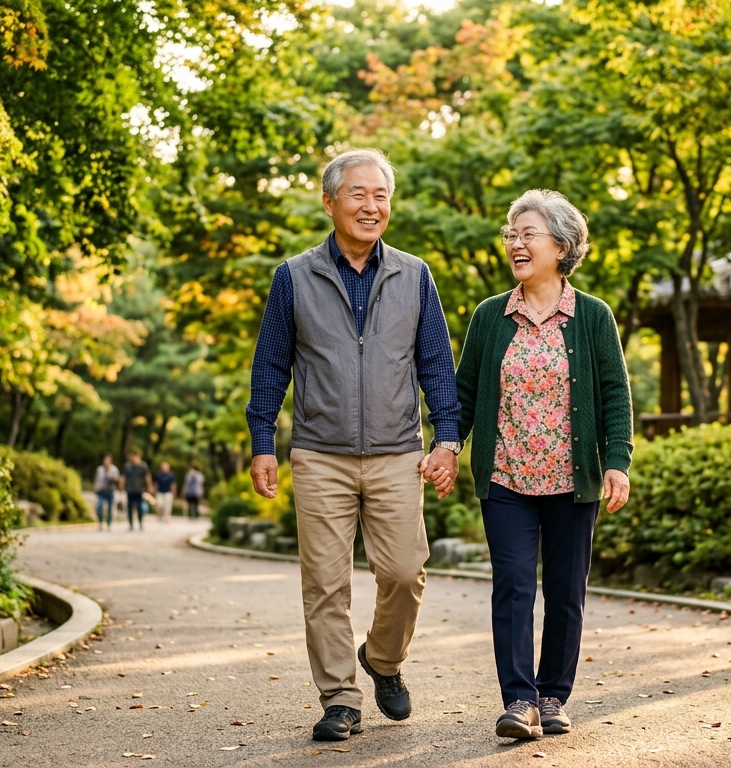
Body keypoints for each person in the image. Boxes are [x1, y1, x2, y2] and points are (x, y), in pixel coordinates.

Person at [246, 148, 461, 742]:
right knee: (325, 583)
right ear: (330, 202)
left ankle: (383, 661)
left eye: (381, 196)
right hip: (319, 452)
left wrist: (448, 437)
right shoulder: (294, 276)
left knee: (404, 572)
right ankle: (340, 698)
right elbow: (271, 365)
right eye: (359, 194)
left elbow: (437, 366)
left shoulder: (414, 275)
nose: (372, 206)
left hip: (397, 451)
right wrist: (263, 440)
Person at [432, 189, 632, 740]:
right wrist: (447, 443)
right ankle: (518, 700)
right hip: (507, 477)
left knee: (566, 591)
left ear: (562, 246)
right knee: (514, 585)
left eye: (528, 235)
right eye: (511, 235)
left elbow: (615, 393)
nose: (516, 244)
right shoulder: (491, 316)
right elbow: (464, 390)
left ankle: (553, 695)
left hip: (573, 481)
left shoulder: (593, 316)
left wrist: (617, 462)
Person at [121, 451, 149, 530]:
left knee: (140, 507)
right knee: (129, 508)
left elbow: (147, 476)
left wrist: (149, 486)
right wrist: (121, 485)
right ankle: (131, 524)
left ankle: (140, 522)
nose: (133, 458)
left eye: (135, 456)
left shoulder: (143, 466)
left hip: (139, 490)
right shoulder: (127, 466)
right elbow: (123, 477)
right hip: (129, 490)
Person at [93, 453, 120, 531]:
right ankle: (100, 522)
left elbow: (118, 480)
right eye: (105, 459)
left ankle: (109, 523)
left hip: (110, 491)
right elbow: (96, 479)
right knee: (99, 506)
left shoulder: (114, 469)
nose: (106, 461)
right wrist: (95, 488)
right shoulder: (99, 469)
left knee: (110, 508)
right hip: (101, 490)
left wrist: (114, 479)